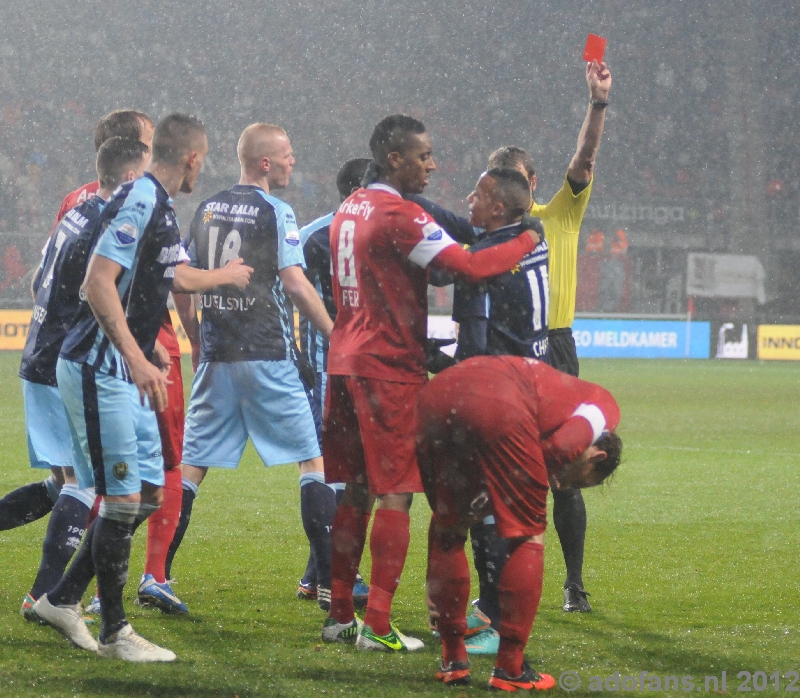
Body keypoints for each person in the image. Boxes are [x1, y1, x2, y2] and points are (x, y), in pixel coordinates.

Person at [33, 113, 252, 662]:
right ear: (194, 158)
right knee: (122, 498)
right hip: (97, 368)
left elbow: (170, 275)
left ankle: (60, 599)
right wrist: (135, 353)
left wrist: (221, 280)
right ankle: (114, 632)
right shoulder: (140, 200)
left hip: (122, 368)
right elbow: (96, 281)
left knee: (149, 495)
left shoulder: (156, 204)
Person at [321, 114, 540, 652]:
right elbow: (465, 266)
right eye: (424, 156)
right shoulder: (398, 212)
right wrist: (528, 239)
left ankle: (341, 613)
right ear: (394, 159)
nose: (432, 165)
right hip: (386, 365)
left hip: (345, 358)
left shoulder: (351, 206)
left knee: (356, 490)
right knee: (397, 495)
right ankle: (377, 627)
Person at [169, 123, 335, 611]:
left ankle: (156, 573)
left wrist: (196, 336)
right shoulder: (276, 212)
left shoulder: (207, 207)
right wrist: (337, 336)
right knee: (313, 461)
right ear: (264, 162)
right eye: (286, 154)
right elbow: (297, 285)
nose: (292, 161)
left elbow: (180, 280)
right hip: (268, 354)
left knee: (190, 469)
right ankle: (328, 584)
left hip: (218, 358)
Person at [485, 58, 612, 613]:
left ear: (532, 183)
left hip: (554, 347)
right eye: (499, 181)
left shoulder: (558, 213)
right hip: (501, 347)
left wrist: (598, 103)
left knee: (564, 469)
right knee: (493, 470)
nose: (509, 189)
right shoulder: (483, 230)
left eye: (515, 179)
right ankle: (492, 591)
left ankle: (574, 584)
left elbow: (583, 159)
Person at [418, 355, 622, 690]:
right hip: (499, 404)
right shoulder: (606, 406)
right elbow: (559, 447)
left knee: (449, 529)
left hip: (436, 397)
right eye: (578, 481)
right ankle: (510, 669)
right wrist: (512, 481)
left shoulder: (560, 394)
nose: (563, 486)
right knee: (527, 538)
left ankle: (453, 659)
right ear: (597, 456)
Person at [11, 138, 148, 621]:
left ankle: (47, 594)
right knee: (81, 483)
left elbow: (35, 283)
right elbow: (98, 288)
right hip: (64, 362)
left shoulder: (76, 210)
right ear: (131, 176)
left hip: (38, 352)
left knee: (57, 483)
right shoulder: (112, 221)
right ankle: (45, 597)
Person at [296, 157, 372, 610]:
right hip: (328, 368)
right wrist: (298, 357)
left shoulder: (368, 231)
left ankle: (318, 574)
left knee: (354, 470)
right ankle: (336, 573)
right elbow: (285, 292)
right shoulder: (315, 236)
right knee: (337, 469)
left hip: (362, 364)